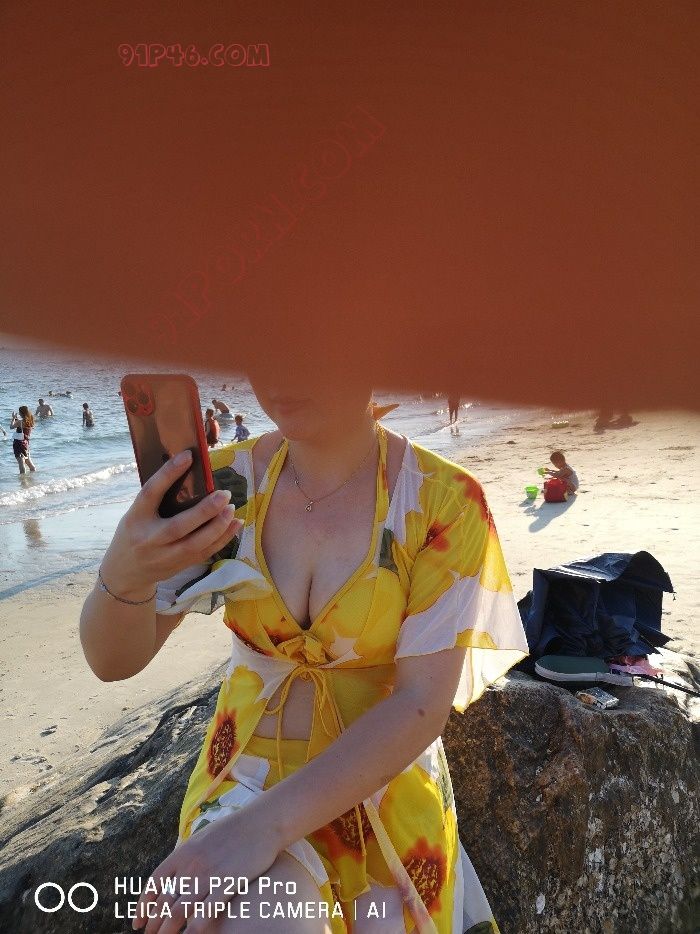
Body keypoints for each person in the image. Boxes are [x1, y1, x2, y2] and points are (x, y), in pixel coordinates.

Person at [79, 370, 529, 933]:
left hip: (377, 791)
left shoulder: (442, 502)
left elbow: (421, 704)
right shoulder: (227, 487)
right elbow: (114, 660)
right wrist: (126, 569)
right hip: (244, 781)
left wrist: (259, 831)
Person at [10, 406, 36, 473]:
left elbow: (11, 427)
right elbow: (21, 428)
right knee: (28, 461)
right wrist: (16, 419)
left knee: (21, 463)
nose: (19, 413)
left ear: (21, 413)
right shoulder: (30, 421)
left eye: (19, 412)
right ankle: (33, 475)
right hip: (26, 443)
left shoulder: (20, 422)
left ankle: (23, 479)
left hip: (19, 443)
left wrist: (13, 418)